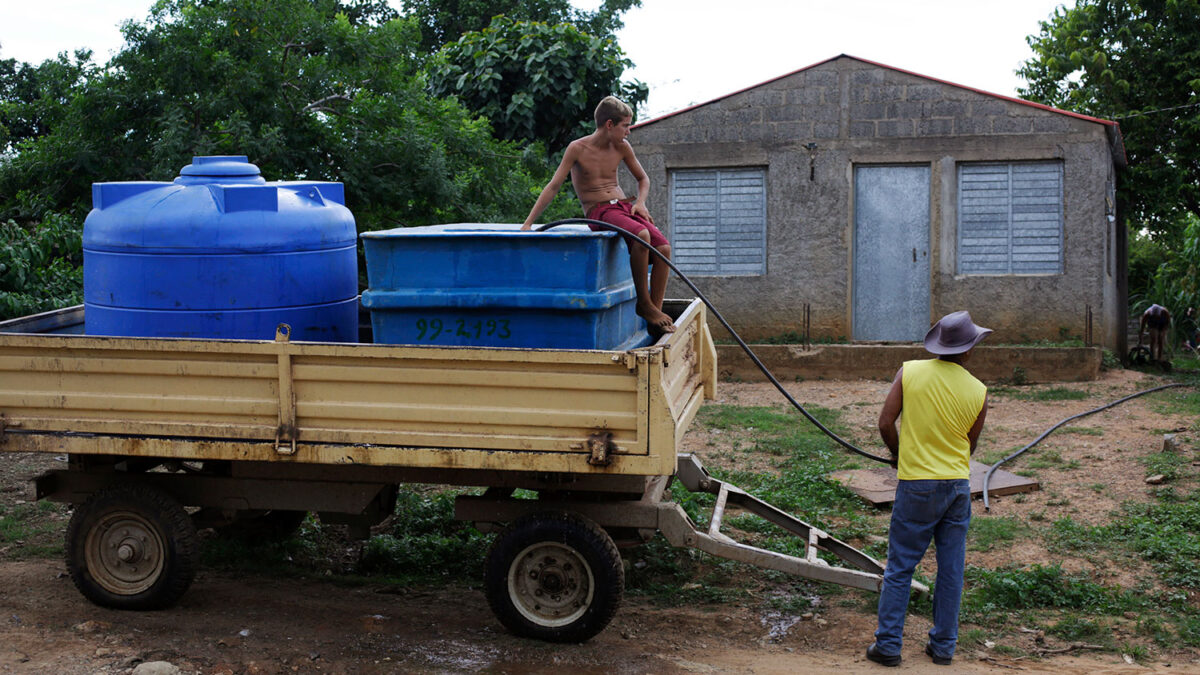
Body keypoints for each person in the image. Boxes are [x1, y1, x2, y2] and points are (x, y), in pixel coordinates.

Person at [866, 311, 991, 668]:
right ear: (968, 352)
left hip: (917, 485)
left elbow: (885, 423)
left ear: (938, 346)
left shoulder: (910, 372)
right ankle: (944, 646)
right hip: (956, 487)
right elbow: (970, 446)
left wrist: (898, 453)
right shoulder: (979, 392)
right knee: (951, 569)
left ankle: (889, 645)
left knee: (901, 565)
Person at [521, 96, 675, 334]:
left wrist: (641, 203)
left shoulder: (622, 147)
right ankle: (644, 305)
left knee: (664, 248)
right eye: (625, 125)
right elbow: (553, 186)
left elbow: (643, 179)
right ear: (609, 125)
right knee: (642, 235)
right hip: (599, 210)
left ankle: (655, 311)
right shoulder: (577, 149)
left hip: (623, 206)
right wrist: (528, 223)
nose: (629, 131)